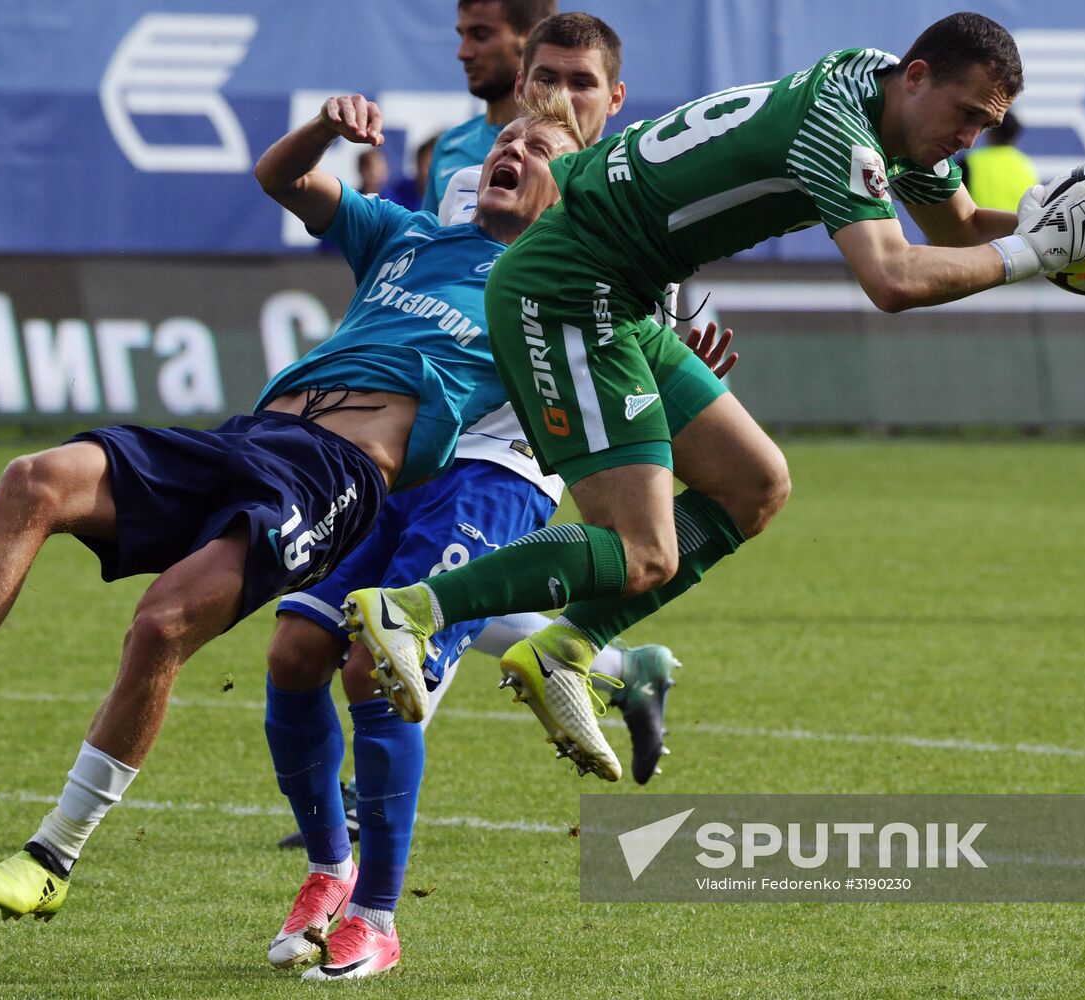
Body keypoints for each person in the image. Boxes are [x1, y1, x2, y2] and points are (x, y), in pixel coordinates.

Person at [347, 13, 1085, 783]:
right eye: (968, 115)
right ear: (916, 77)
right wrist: (1031, 254)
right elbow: (894, 279)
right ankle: (412, 612)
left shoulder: (883, 98)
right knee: (643, 550)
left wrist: (1057, 234)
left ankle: (563, 649)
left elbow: (959, 227)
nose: (971, 137)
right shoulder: (841, 127)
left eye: (985, 122)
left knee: (755, 484)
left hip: (617, 290)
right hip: (568, 286)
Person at [0, 90, 583, 927]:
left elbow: (626, 387)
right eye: (511, 138)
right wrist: (323, 128)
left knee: (163, 623)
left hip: (332, 479)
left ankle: (52, 854)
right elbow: (281, 175)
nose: (514, 150)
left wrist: (685, 375)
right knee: (34, 480)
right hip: (246, 438)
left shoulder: (543, 300)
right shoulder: (406, 234)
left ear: (565, 196)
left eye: (541, 152)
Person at [262, 14, 705, 980]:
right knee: (298, 647)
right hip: (407, 458)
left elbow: (640, 361)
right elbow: (432, 257)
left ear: (612, 102)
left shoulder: (630, 220)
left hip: (503, 472)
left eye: (577, 86)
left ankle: (377, 916)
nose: (544, 106)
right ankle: (331, 874)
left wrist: (684, 363)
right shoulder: (464, 170)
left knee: (378, 670)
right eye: (538, 86)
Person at [423, 0, 557, 214]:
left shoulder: (572, 153)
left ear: (532, 37)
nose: (463, 53)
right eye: (462, 35)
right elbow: (428, 242)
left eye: (480, 35)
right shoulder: (449, 144)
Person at [960, 110, 1039, 211]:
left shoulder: (972, 161)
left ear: (992, 132)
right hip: (1015, 225)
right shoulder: (1026, 165)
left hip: (980, 224)